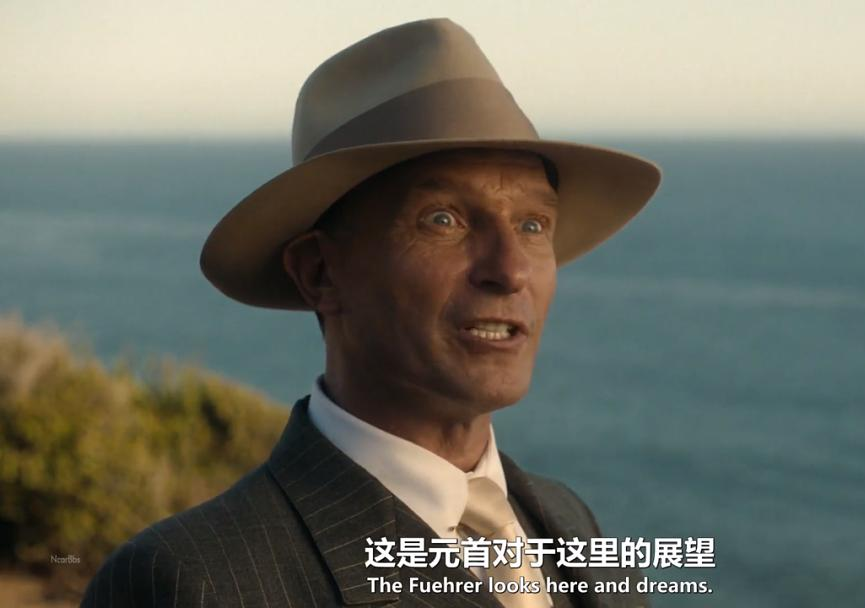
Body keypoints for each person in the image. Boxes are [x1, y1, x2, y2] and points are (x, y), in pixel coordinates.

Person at [81, 17, 661, 608]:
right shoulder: (188, 582)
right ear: (320, 273)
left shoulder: (571, 524)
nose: (510, 270)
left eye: (533, 225)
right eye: (443, 220)